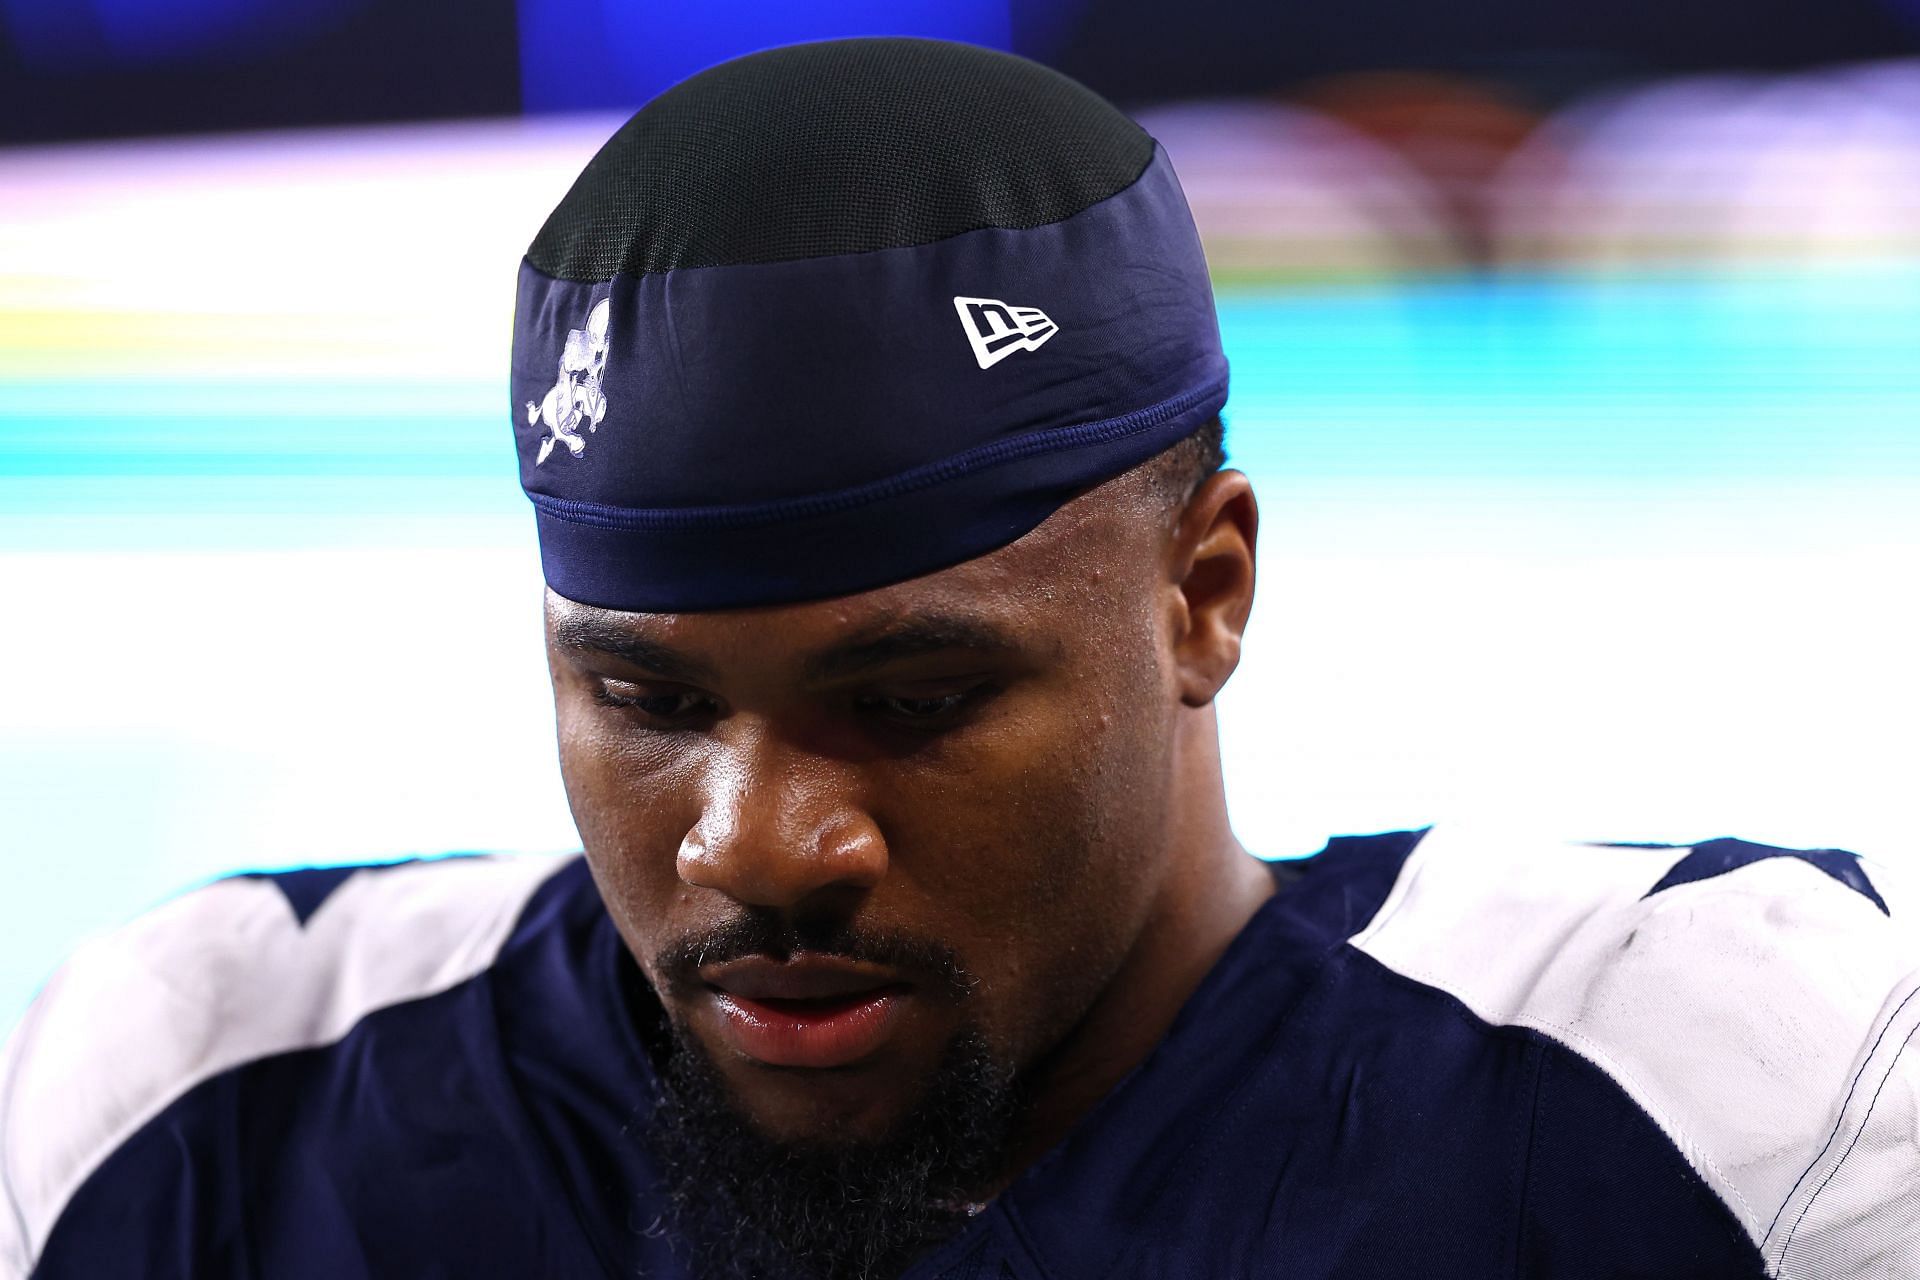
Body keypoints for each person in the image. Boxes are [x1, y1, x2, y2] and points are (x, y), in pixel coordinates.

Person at [2, 37, 1915, 1280]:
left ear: (1206, 592)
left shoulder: (1709, 1110)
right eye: (649, 701)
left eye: (911, 705)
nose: (754, 848)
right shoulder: (219, 1111)